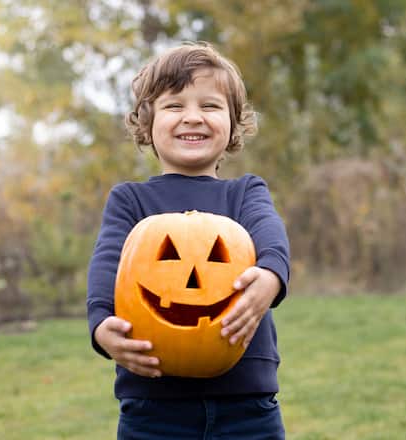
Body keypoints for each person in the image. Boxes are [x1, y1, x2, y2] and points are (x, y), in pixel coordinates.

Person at [86, 41, 290, 439]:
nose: (192, 117)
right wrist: (100, 324)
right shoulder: (130, 200)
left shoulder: (246, 193)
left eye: (210, 106)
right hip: (152, 407)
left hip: (247, 404)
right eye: (174, 106)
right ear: (147, 123)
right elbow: (109, 263)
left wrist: (270, 276)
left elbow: (270, 235)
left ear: (233, 123)